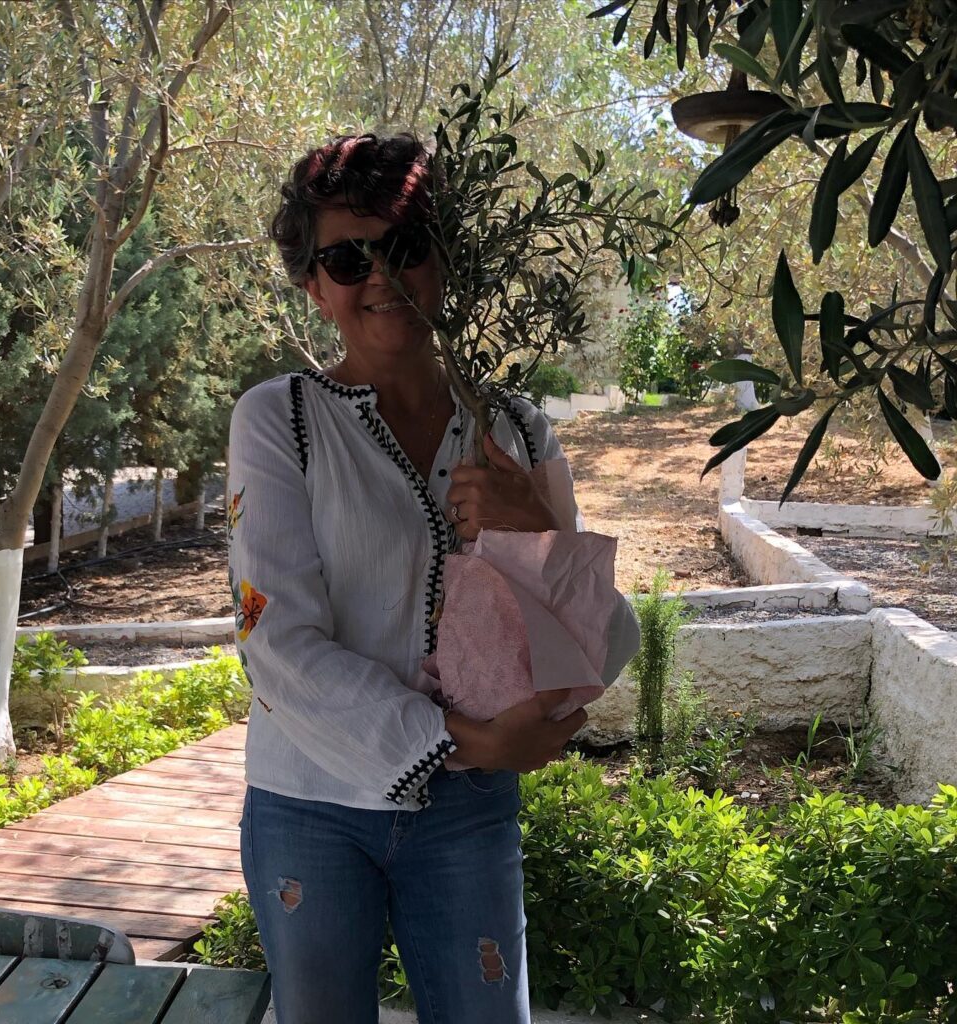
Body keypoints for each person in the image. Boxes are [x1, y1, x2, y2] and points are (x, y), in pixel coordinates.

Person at [227, 132, 639, 1024]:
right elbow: (275, 642)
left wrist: (534, 527)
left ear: (446, 260)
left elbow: (603, 639)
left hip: (468, 811)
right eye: (347, 259)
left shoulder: (515, 429)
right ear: (314, 286)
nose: (380, 276)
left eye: (405, 246)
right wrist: (461, 741)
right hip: (310, 801)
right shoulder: (279, 421)